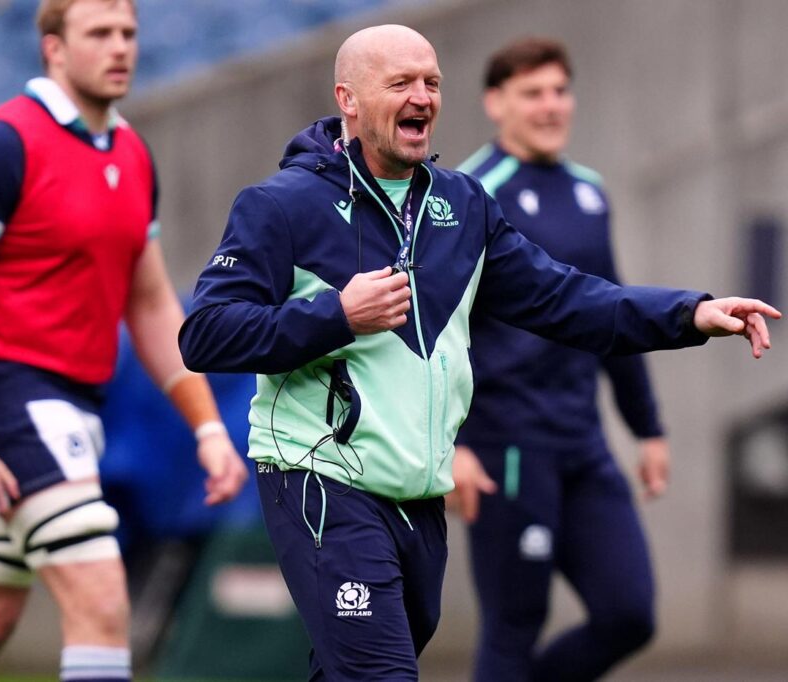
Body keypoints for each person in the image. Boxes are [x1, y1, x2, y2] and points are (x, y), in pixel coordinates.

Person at [177, 23, 780, 682]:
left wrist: (689, 312)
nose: (423, 96)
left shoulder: (461, 205)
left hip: (417, 496)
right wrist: (336, 315)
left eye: (432, 82)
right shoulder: (282, 206)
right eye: (400, 82)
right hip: (320, 484)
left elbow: (566, 299)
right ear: (347, 99)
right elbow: (206, 334)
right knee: (381, 675)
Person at [0, 1, 248, 681]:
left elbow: (148, 304)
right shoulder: (2, 144)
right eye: (100, 35)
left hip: (77, 402)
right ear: (53, 48)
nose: (120, 48)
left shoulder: (133, 154)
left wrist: (206, 428)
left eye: (129, 34)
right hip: (10, 397)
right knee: (102, 598)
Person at [448, 36, 675, 681]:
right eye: (532, 93)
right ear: (496, 103)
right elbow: (437, 332)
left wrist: (648, 427)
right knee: (514, 626)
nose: (551, 106)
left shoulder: (589, 192)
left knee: (629, 613)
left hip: (583, 442)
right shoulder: (468, 196)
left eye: (559, 91)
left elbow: (611, 314)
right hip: (505, 448)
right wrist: (450, 443)